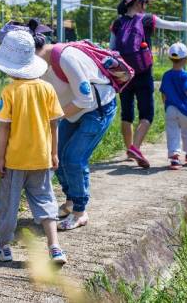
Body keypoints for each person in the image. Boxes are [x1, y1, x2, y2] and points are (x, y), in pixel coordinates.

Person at [0, 30, 68, 265]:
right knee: (45, 201)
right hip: (41, 159)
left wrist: (0, 159)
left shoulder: (10, 92)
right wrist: (54, 152)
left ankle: (3, 247)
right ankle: (55, 248)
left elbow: (4, 129)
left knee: (8, 204)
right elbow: (54, 125)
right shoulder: (47, 89)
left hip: (15, 161)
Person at [30, 20, 118, 231]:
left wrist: (51, 118)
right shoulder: (40, 63)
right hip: (73, 112)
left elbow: (85, 99)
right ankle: (70, 201)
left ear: (36, 50)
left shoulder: (66, 58)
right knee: (58, 156)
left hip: (97, 110)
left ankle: (80, 211)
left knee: (73, 158)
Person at [110, 0, 187, 169]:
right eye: (145, 2)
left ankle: (130, 150)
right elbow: (173, 25)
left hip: (124, 74)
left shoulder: (117, 23)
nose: (146, 6)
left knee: (127, 113)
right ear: (138, 2)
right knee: (147, 114)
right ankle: (135, 148)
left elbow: (112, 49)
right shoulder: (147, 20)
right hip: (143, 72)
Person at [159, 42, 187, 170]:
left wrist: (166, 105)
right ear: (186, 60)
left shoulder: (166, 75)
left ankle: (174, 158)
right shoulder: (185, 75)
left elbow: (163, 93)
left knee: (172, 132)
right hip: (184, 110)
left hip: (170, 108)